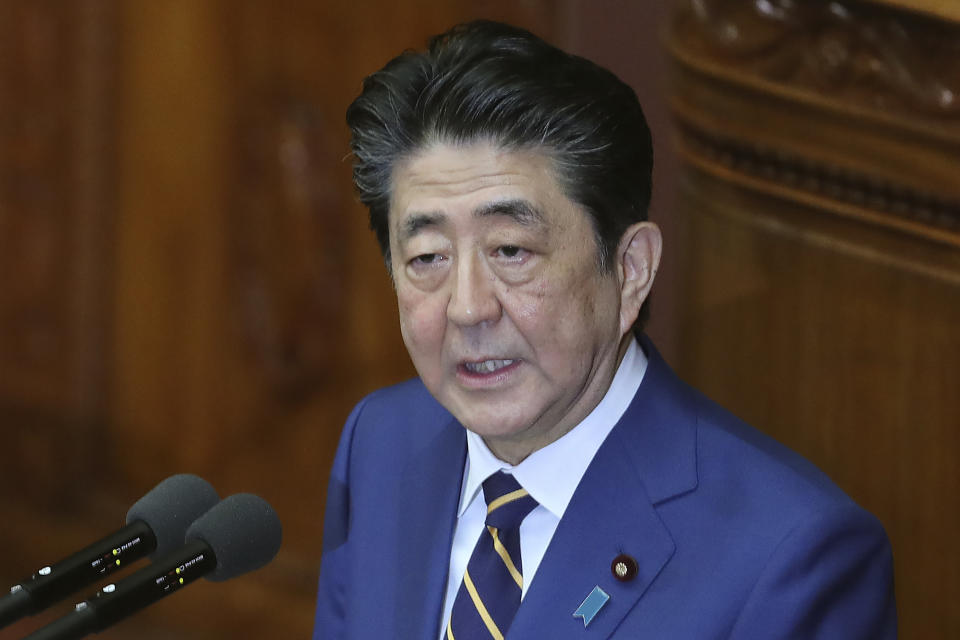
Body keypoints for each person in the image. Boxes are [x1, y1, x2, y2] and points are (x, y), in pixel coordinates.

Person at [313, 20, 896, 639]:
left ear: (631, 269)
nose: (467, 308)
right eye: (427, 257)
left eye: (511, 250)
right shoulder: (379, 444)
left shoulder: (792, 557)